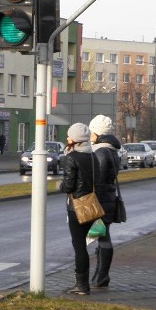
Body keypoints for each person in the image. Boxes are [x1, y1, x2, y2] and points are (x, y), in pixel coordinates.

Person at [59, 123, 98, 295]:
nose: (67, 138)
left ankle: (82, 285)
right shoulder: (92, 157)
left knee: (79, 245)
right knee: (82, 244)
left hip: (77, 206)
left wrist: (59, 185)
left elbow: (68, 186)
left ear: (74, 140)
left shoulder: (71, 158)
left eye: (69, 136)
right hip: (92, 204)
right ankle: (83, 284)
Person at [89, 114, 121, 288]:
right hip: (108, 198)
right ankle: (100, 275)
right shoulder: (111, 149)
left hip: (100, 200)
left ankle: (101, 276)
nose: (89, 135)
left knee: (102, 236)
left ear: (98, 133)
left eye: (91, 131)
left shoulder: (101, 151)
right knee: (102, 235)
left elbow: (98, 179)